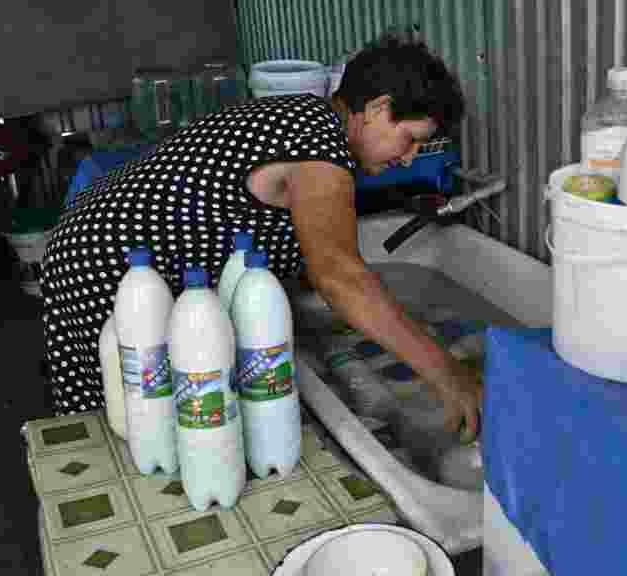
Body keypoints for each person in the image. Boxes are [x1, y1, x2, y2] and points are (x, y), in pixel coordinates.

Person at [41, 32, 482, 441]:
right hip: (105, 268)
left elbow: (317, 263)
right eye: (409, 140)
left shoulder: (305, 121)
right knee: (130, 421)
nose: (407, 160)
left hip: (97, 244)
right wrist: (447, 373)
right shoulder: (318, 146)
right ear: (379, 109)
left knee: (140, 413)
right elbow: (340, 278)